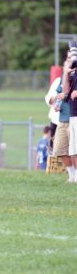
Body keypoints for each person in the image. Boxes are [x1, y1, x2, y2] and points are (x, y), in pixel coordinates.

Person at [52, 52, 74, 182]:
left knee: (74, 151)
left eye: (71, 58)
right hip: (63, 118)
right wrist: (57, 103)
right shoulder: (63, 75)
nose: (69, 60)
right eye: (67, 58)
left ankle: (75, 176)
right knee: (59, 149)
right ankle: (71, 175)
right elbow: (60, 92)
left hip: (74, 118)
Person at [63, 41, 77, 182]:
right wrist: (66, 73)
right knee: (73, 149)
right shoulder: (74, 72)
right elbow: (66, 90)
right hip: (73, 113)